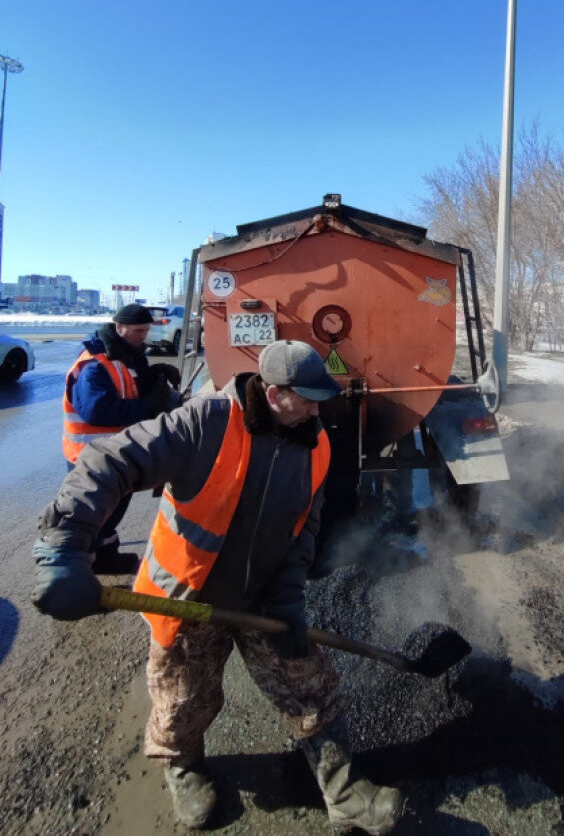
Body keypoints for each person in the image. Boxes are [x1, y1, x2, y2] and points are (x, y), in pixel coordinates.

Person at [34, 339, 405, 835]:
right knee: (185, 701)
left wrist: (290, 599)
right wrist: (64, 546)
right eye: (309, 398)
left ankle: (344, 795)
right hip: (188, 599)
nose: (319, 409)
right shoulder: (204, 423)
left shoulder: (314, 443)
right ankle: (184, 769)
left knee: (312, 688)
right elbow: (107, 461)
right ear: (274, 394)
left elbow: (304, 532)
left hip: (260, 602)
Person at [62, 303, 181, 573]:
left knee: (114, 511)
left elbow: (129, 385)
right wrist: (150, 405)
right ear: (120, 328)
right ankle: (81, 574)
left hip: (117, 452)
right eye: (139, 330)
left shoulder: (127, 354)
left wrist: (155, 375)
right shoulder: (94, 364)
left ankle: (105, 556)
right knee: (94, 516)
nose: (144, 335)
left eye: (146, 330)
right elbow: (97, 410)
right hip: (90, 456)